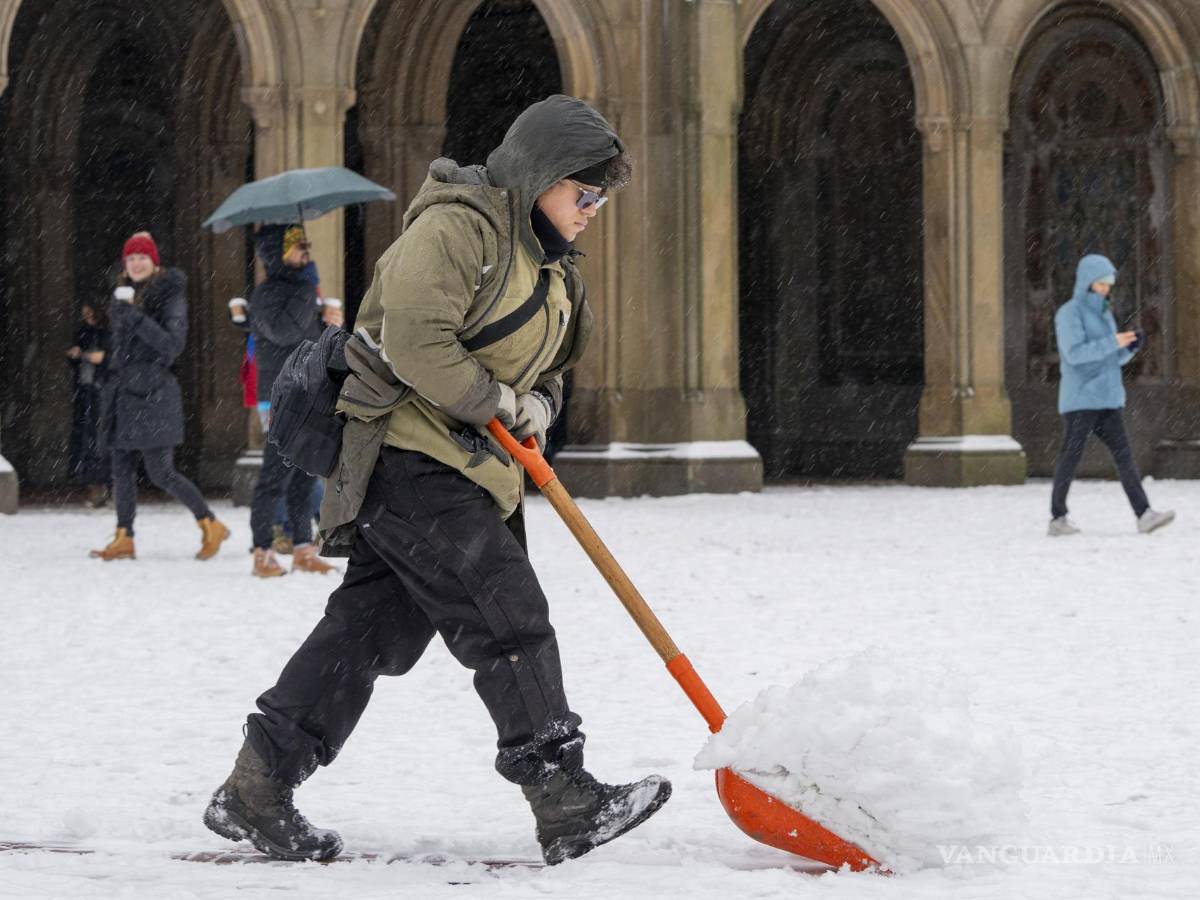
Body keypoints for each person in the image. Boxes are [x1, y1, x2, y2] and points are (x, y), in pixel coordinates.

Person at [203, 95, 671, 865]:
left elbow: (550, 368)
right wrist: (495, 402)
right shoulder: (456, 229)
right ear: (539, 176)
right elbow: (416, 339)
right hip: (409, 458)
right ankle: (562, 795)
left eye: (601, 198)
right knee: (505, 612)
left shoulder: (551, 266)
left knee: (368, 632)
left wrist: (537, 409)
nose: (592, 210)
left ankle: (256, 787)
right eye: (582, 193)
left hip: (473, 469)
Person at [90, 232, 230, 561]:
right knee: (121, 468)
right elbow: (124, 349)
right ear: (124, 265)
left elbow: (171, 346)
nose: (136, 263)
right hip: (123, 393)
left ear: (154, 263)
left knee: (161, 472)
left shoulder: (170, 295)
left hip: (155, 394)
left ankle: (210, 523)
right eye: (131, 258)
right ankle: (125, 536)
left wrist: (134, 317)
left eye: (142, 258)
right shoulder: (122, 297)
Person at [1048, 253, 1174, 536]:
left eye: (1109, 284)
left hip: (1107, 398)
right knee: (1070, 456)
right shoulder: (1069, 313)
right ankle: (1057, 517)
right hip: (1081, 399)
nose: (1106, 288)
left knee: (1124, 456)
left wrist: (1127, 350)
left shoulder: (1103, 314)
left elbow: (1108, 358)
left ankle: (1144, 514)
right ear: (1087, 282)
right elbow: (1074, 354)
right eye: (1101, 283)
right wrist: (1112, 342)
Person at [245, 226, 342, 578]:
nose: (307, 251)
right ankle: (262, 552)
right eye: (298, 245)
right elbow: (284, 333)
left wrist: (328, 323)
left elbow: (310, 343)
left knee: (303, 475)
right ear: (277, 253)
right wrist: (310, 300)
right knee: (273, 476)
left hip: (306, 394)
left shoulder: (302, 292)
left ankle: (303, 548)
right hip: (279, 398)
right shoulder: (266, 294)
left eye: (307, 244)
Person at [67, 303, 110, 507]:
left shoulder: (109, 332)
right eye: (84, 315)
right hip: (86, 388)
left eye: (90, 314)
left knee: (101, 438)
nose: (87, 318)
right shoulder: (83, 332)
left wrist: (102, 358)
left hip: (102, 388)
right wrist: (76, 355)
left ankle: (104, 485)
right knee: (87, 437)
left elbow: (113, 358)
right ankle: (93, 484)